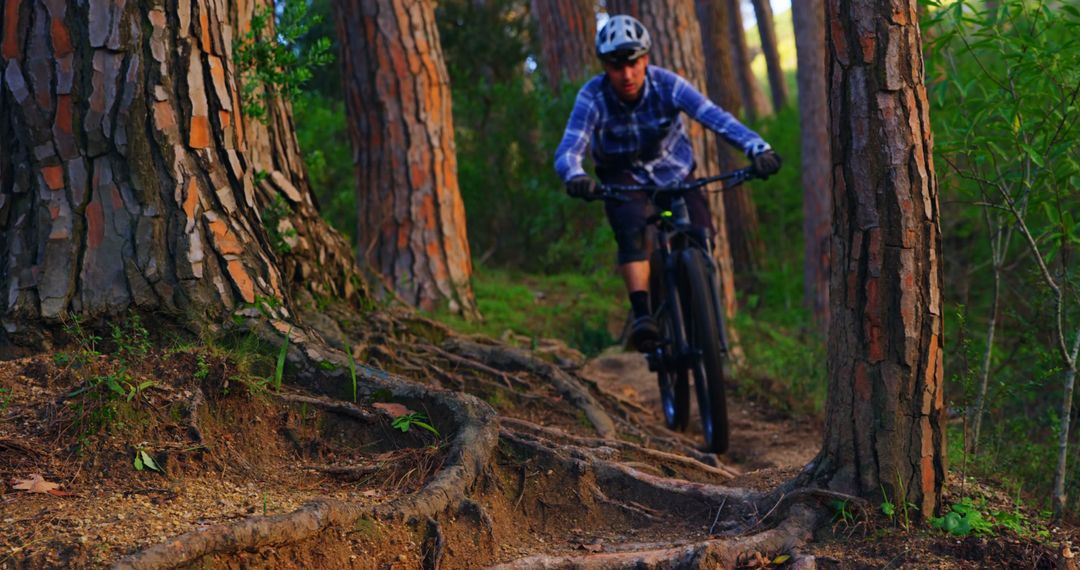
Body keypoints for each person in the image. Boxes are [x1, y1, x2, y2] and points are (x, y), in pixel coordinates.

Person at [553, 14, 781, 352]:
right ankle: (643, 314)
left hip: (674, 170)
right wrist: (576, 177)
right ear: (604, 67)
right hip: (622, 176)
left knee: (700, 231)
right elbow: (569, 149)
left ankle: (699, 308)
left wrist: (758, 148)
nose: (626, 74)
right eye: (616, 66)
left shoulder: (667, 84)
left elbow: (715, 117)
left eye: (632, 62)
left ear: (645, 59)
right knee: (630, 225)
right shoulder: (593, 96)